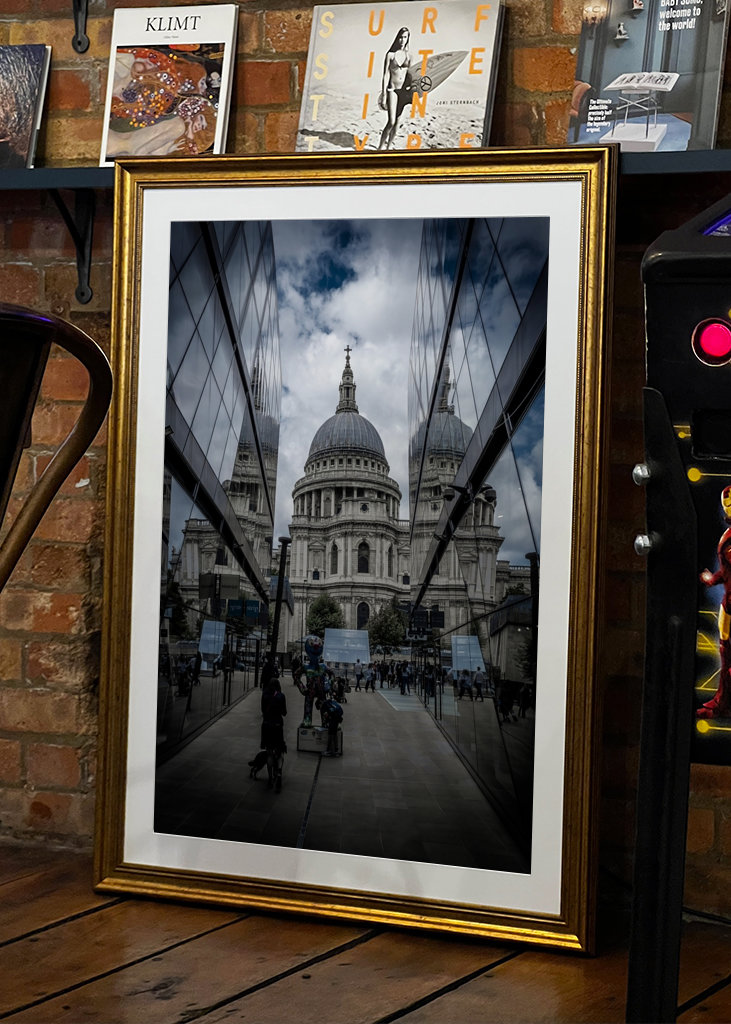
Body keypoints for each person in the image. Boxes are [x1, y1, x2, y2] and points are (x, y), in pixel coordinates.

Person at [378, 27, 411, 151]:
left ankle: (389, 146)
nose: (402, 40)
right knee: (391, 122)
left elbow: (410, 76)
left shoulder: (409, 56)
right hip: (392, 91)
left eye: (405, 37)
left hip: (403, 92)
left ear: (408, 39)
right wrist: (384, 94)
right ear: (397, 38)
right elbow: (385, 75)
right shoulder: (390, 55)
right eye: (401, 37)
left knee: (397, 123)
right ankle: (380, 148)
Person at [260, 677, 287, 791]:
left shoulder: (264, 696)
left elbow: (262, 710)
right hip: (277, 726)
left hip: (267, 726)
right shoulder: (281, 696)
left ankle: (270, 778)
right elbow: (284, 713)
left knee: (270, 753)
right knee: (279, 751)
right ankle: (279, 773)